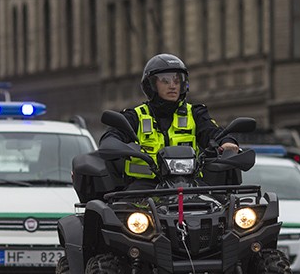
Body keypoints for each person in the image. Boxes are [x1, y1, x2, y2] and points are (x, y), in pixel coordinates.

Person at [100, 53, 239, 189]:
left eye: (177, 81)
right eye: (165, 81)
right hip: (144, 188)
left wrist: (227, 142)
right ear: (151, 84)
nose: (172, 86)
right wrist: (114, 144)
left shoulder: (195, 114)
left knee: (218, 203)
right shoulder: (136, 116)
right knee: (124, 209)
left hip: (189, 184)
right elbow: (112, 136)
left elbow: (213, 131)